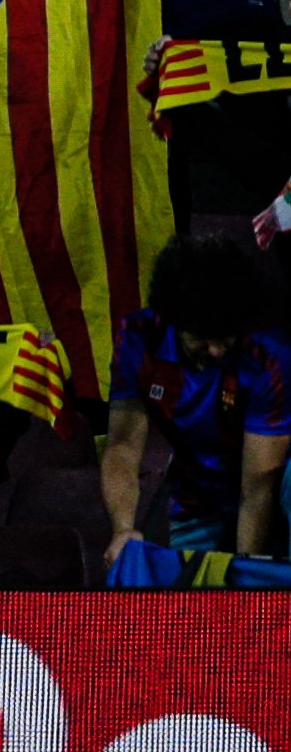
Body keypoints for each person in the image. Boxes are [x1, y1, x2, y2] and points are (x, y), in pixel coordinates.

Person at [101, 230, 291, 564]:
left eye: (225, 338)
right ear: (174, 320)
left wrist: (248, 579)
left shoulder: (268, 356)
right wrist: (122, 530)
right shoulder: (138, 339)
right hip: (196, 500)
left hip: (274, 501)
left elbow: (258, 488)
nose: (216, 351)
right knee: (188, 606)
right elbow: (122, 446)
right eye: (203, 338)